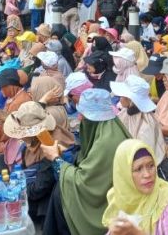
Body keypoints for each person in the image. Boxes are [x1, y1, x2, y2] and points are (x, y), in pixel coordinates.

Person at [41, 88, 131, 235]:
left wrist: (56, 159)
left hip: (107, 206)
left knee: (62, 194)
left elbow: (85, 183)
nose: (80, 119)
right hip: (108, 195)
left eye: (83, 115)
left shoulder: (107, 142)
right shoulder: (111, 127)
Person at [102, 139, 168, 235]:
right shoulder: (119, 197)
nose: (147, 174)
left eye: (151, 165)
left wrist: (137, 233)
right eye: (138, 169)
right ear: (125, 175)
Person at [111, 76, 166, 164]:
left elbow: (143, 157)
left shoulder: (145, 126)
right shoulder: (126, 112)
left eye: (122, 96)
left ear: (131, 99)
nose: (120, 99)